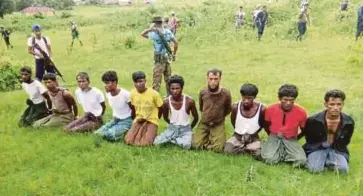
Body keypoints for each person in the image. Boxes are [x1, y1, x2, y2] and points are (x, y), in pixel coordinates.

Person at [299, 90, 354, 173]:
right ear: (325, 104)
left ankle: (326, 161)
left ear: (343, 104)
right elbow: (308, 138)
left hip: (336, 149)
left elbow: (346, 140)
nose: (335, 108)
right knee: (314, 170)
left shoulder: (348, 122)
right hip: (317, 148)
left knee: (343, 170)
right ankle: (321, 161)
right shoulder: (314, 120)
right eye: (332, 104)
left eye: (339, 104)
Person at [261, 84, 307, 167]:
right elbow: (266, 125)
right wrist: (272, 135)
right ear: (279, 98)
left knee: (301, 161)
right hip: (274, 136)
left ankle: (282, 153)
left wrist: (295, 138)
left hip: (291, 138)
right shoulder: (270, 109)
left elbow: (304, 130)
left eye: (291, 100)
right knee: (270, 160)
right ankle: (276, 150)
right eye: (285, 100)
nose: (288, 103)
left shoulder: (301, 112)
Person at [154, 75, 199, 149]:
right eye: (172, 89)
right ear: (169, 89)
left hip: (185, 129)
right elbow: (165, 117)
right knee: (156, 142)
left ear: (182, 88)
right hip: (172, 128)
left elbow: (196, 117)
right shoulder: (166, 102)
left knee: (186, 145)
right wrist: (172, 125)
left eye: (177, 88)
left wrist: (190, 128)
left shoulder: (189, 101)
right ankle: (174, 139)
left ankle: (173, 140)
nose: (175, 91)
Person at [192, 69, 232, 152]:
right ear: (207, 78)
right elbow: (202, 107)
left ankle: (214, 139)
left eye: (215, 79)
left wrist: (218, 117)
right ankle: (208, 139)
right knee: (195, 146)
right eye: (211, 79)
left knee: (218, 149)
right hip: (204, 122)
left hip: (218, 123)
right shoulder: (203, 92)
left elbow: (228, 109)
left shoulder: (226, 94)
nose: (213, 82)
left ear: (220, 79)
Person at [224, 83, 265, 158]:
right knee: (227, 150)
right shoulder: (235, 107)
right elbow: (234, 122)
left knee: (259, 154)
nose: (246, 101)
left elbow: (261, 125)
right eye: (244, 98)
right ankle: (246, 149)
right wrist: (240, 132)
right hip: (238, 136)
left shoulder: (261, 109)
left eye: (249, 98)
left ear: (254, 97)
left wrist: (252, 134)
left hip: (253, 137)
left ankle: (244, 148)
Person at [141, 16, 178, 94]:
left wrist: (150, 29)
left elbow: (142, 34)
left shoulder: (154, 34)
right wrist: (174, 54)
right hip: (167, 58)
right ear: (161, 22)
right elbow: (176, 42)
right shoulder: (168, 31)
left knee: (156, 81)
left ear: (154, 23)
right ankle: (170, 97)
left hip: (159, 60)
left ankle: (155, 99)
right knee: (168, 79)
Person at [125, 71, 163, 146]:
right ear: (134, 83)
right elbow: (134, 108)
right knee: (128, 141)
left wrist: (156, 118)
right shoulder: (132, 93)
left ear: (145, 81)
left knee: (145, 143)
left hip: (151, 120)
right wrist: (136, 119)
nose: (138, 84)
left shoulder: (154, 94)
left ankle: (152, 133)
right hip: (139, 119)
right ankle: (137, 132)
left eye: (140, 81)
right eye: (136, 82)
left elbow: (161, 107)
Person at [93, 71, 133, 141]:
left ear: (115, 82)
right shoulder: (108, 93)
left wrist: (132, 122)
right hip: (116, 119)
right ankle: (118, 129)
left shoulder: (125, 94)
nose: (107, 85)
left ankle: (128, 130)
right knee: (97, 133)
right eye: (105, 83)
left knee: (109, 135)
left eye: (108, 83)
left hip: (127, 119)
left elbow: (133, 108)